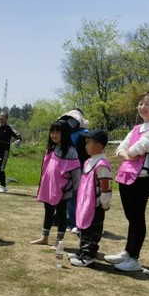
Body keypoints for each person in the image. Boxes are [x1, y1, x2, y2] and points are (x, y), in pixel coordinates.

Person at [104, 92, 149, 272]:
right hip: (126, 174)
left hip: (142, 178)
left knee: (137, 217)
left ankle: (134, 258)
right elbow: (122, 149)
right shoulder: (137, 127)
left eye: (148, 104)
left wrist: (128, 153)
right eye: (140, 103)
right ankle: (128, 251)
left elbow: (135, 149)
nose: (142, 107)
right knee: (131, 216)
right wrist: (128, 154)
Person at [30, 120, 81, 246]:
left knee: (61, 214)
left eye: (58, 132)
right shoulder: (51, 148)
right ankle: (44, 237)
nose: (54, 135)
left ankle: (59, 241)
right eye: (52, 132)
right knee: (48, 211)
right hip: (49, 187)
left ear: (65, 133)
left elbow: (76, 173)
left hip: (63, 189)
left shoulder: (70, 151)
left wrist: (75, 189)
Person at [69, 130, 113, 267]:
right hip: (85, 204)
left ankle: (88, 256)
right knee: (84, 230)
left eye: (88, 143)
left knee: (92, 232)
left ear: (98, 145)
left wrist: (104, 203)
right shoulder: (89, 161)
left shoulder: (101, 165)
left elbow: (106, 187)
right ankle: (82, 251)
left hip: (96, 206)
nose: (85, 146)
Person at [58, 109, 89, 232]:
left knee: (75, 196)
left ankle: (74, 222)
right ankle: (64, 219)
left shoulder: (84, 134)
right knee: (65, 195)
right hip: (64, 169)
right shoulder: (65, 134)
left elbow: (86, 154)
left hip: (79, 169)